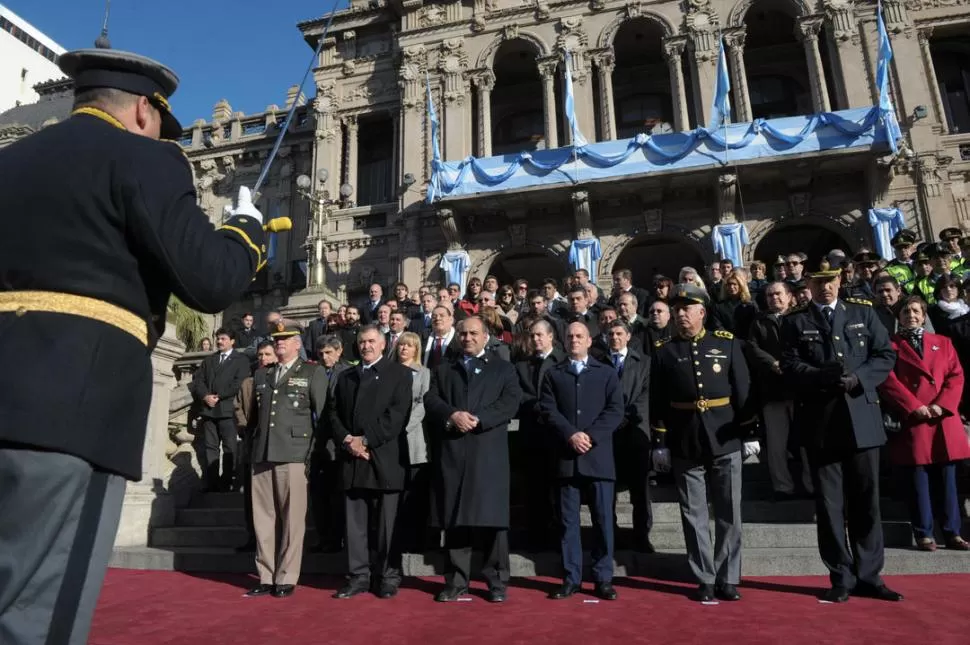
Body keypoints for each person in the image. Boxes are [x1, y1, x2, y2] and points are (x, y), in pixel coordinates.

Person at [0, 46, 267, 644]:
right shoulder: (146, 158)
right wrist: (244, 230)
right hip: (75, 412)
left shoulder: (10, 162)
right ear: (145, 110)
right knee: (40, 613)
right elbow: (209, 279)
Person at [780, 266, 902, 603]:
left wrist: (859, 378)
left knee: (866, 501)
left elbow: (885, 354)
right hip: (821, 422)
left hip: (861, 416)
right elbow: (789, 365)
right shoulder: (795, 321)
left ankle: (870, 575)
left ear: (840, 282)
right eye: (818, 283)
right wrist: (820, 376)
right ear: (808, 285)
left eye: (830, 282)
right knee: (830, 505)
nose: (825, 288)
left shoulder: (863, 312)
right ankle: (841, 576)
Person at [650, 284, 756, 603]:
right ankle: (705, 577)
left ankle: (728, 576)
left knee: (729, 511)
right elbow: (657, 400)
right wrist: (660, 440)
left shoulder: (726, 343)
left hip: (725, 434)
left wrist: (750, 432)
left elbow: (743, 389)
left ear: (702, 312)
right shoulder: (664, 350)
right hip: (685, 438)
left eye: (686, 308)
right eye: (677, 309)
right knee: (693, 513)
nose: (680, 314)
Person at [424, 316, 522, 603]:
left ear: (485, 336)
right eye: (463, 333)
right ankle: (456, 581)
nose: (467, 338)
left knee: (492, 522)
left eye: (473, 333)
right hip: (453, 453)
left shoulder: (503, 368)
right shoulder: (444, 369)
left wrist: (480, 419)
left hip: (487, 454)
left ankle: (496, 582)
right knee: (455, 520)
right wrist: (452, 415)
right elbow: (431, 400)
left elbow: (510, 402)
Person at [877, 296, 970, 551]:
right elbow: (888, 380)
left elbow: (956, 376)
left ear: (924, 315)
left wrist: (942, 404)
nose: (911, 316)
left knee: (948, 481)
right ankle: (924, 533)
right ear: (898, 317)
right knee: (919, 480)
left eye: (916, 311)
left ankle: (952, 532)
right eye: (906, 312)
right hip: (915, 419)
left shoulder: (943, 342)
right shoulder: (890, 346)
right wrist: (913, 406)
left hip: (942, 418)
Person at [541, 322, 625, 600]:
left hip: (598, 458)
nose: (574, 340)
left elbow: (615, 410)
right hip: (567, 459)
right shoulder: (553, 374)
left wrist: (590, 436)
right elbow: (548, 409)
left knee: (603, 521)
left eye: (579, 336)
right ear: (563, 342)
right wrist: (570, 434)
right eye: (570, 336)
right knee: (568, 523)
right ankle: (571, 577)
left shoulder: (606, 373)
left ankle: (603, 578)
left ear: (590, 340)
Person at [328, 325, 413, 599]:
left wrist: (365, 440)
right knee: (355, 525)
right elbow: (333, 413)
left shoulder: (400, 374)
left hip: (385, 457)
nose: (366, 346)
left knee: (388, 525)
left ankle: (388, 576)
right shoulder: (346, 377)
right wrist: (348, 440)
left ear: (383, 344)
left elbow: (397, 416)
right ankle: (358, 576)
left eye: (371, 341)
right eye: (362, 341)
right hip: (352, 459)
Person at [245, 323, 328, 599]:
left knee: (292, 519)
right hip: (262, 454)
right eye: (277, 338)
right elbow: (254, 419)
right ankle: (266, 575)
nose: (280, 342)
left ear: (297, 344)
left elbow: (322, 417)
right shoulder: (262, 374)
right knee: (263, 519)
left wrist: (312, 455)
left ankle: (286, 576)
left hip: (294, 454)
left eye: (286, 338)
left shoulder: (312, 372)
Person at [190, 328, 251, 492]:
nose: (219, 341)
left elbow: (239, 383)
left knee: (230, 448)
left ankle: (227, 482)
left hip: (228, 410)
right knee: (211, 447)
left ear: (232, 341)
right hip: (208, 410)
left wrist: (218, 395)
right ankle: (212, 483)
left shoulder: (241, 360)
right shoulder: (209, 360)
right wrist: (205, 396)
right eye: (218, 338)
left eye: (223, 338)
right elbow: (198, 380)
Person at [234, 340, 278, 552]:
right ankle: (253, 537)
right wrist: (244, 427)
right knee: (251, 496)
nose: (263, 358)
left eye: (268, 354)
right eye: (260, 355)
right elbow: (238, 407)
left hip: (275, 445)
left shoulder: (280, 380)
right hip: (251, 443)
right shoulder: (248, 383)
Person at [395, 331, 433, 552]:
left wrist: (403, 426)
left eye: (409, 345)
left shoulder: (424, 373)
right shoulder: (389, 372)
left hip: (415, 437)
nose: (404, 349)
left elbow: (423, 403)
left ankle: (417, 539)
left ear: (416, 349)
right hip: (392, 437)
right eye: (401, 345)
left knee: (415, 492)